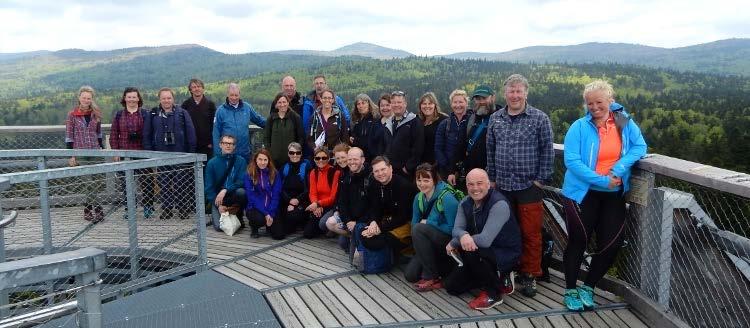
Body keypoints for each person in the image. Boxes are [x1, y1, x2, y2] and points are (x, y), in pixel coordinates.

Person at [560, 80, 647, 311]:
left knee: (612, 243)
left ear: (611, 100)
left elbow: (639, 147)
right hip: (582, 193)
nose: (594, 107)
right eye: (590, 103)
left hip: (613, 194)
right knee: (579, 240)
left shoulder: (623, 122)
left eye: (599, 102)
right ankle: (570, 289)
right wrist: (602, 180)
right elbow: (572, 161)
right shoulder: (578, 126)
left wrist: (618, 169)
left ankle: (588, 286)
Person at [486, 74, 554, 297]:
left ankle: (530, 274)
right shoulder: (496, 118)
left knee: (531, 233)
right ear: (505, 93)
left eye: (519, 91)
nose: (514, 95)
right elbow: (490, 150)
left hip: (528, 186)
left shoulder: (539, 118)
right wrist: (492, 179)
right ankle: (508, 269)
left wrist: (539, 180)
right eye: (511, 91)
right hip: (502, 185)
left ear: (526, 93)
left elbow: (547, 150)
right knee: (505, 231)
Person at [443, 169, 521, 310]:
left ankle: (494, 293)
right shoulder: (465, 202)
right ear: (466, 186)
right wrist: (463, 236)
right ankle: (497, 278)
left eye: (479, 183)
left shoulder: (499, 204)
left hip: (504, 251)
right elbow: (457, 229)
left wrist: (456, 241)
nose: (475, 188)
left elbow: (485, 240)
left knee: (471, 249)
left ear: (488, 184)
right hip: (478, 250)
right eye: (471, 184)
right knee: (452, 287)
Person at [143, 87, 197, 220]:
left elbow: (191, 133)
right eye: (163, 98)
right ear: (159, 100)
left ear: (173, 99)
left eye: (169, 98)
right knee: (164, 183)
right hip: (161, 155)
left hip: (180, 154)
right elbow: (147, 134)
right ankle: (167, 209)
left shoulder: (182, 113)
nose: (166, 100)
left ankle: (183, 209)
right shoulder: (153, 114)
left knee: (181, 183)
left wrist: (191, 153)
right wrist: (150, 153)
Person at [404, 163, 459, 292]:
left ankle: (432, 276)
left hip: (447, 243)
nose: (422, 184)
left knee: (419, 228)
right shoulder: (418, 198)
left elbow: (454, 230)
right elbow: (414, 224)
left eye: (426, 180)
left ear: (435, 179)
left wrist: (429, 222)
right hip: (427, 241)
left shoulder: (447, 198)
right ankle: (433, 269)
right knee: (410, 275)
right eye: (419, 180)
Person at [110, 87, 154, 218]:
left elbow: (150, 133)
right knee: (126, 183)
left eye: (134, 97)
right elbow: (113, 134)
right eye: (129, 97)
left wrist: (150, 152)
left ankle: (148, 207)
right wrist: (115, 151)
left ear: (138, 98)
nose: (131, 99)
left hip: (142, 152)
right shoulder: (119, 115)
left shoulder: (145, 114)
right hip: (124, 153)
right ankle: (130, 208)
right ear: (124, 98)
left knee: (147, 181)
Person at [361, 156, 418, 260]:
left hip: (407, 223)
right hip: (388, 220)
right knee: (364, 234)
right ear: (373, 173)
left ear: (390, 168)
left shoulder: (403, 186)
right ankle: (386, 258)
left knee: (379, 240)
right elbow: (375, 208)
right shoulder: (375, 184)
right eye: (376, 171)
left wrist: (380, 229)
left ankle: (406, 250)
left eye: (383, 169)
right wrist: (373, 222)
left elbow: (403, 217)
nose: (380, 173)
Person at [65, 85, 104, 222]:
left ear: (92, 99)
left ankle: (88, 209)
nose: (86, 100)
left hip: (95, 151)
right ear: (79, 98)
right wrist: (71, 155)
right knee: (88, 182)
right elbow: (69, 136)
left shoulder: (96, 113)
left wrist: (102, 148)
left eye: (89, 98)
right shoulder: (72, 115)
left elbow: (99, 133)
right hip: (80, 152)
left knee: (97, 183)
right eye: (84, 98)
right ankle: (98, 209)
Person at [212, 83, 266, 162]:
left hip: (244, 154)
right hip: (227, 154)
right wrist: (218, 154)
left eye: (236, 95)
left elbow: (259, 120)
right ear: (227, 95)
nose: (234, 98)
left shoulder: (247, 107)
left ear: (239, 95)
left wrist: (274, 122)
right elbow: (216, 133)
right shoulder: (220, 111)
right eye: (232, 95)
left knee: (244, 174)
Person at [205, 135, 248, 232]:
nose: (228, 146)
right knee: (219, 227)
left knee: (242, 192)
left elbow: (242, 181)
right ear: (220, 145)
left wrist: (225, 189)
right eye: (226, 143)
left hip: (233, 194)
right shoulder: (212, 163)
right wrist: (218, 205)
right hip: (218, 199)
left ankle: (238, 213)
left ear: (234, 146)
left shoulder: (241, 161)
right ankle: (221, 211)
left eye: (231, 143)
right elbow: (208, 187)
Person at [336, 147, 372, 248]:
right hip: (351, 220)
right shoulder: (348, 178)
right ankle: (354, 238)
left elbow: (373, 207)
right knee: (332, 227)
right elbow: (342, 203)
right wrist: (348, 221)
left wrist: (357, 223)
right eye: (350, 159)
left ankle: (356, 239)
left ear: (363, 160)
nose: (352, 162)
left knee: (357, 259)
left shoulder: (371, 177)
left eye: (355, 159)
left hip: (365, 222)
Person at [434, 89, 471, 188]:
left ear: (466, 103)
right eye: (455, 102)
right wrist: (449, 169)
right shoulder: (445, 124)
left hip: (468, 170)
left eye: (461, 102)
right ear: (451, 104)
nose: (458, 105)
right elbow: (438, 148)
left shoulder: (473, 122)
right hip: (446, 171)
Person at [384, 91, 424, 178]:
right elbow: (386, 146)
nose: (396, 105)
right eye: (393, 102)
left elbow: (418, 147)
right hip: (390, 171)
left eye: (399, 102)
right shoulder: (389, 123)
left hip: (406, 172)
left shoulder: (414, 121)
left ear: (405, 104)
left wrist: (408, 168)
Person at [303, 147, 341, 238]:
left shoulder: (335, 172)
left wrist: (318, 204)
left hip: (330, 206)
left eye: (324, 158)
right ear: (314, 159)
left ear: (328, 158)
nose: (321, 160)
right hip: (317, 205)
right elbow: (312, 193)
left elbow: (333, 197)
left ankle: (330, 229)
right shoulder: (313, 172)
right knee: (308, 233)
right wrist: (316, 205)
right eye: (317, 158)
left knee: (322, 224)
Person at [244, 149, 282, 238]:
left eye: (265, 160)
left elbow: (276, 194)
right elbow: (252, 197)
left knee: (279, 235)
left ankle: (269, 226)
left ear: (269, 161)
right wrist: (266, 213)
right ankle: (254, 227)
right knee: (259, 219)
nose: (262, 162)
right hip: (256, 207)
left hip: (271, 207)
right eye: (260, 159)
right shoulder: (249, 174)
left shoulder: (274, 173)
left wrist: (271, 212)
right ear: (255, 160)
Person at [279, 142, 313, 238]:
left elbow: (310, 188)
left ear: (301, 154)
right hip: (287, 200)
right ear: (288, 154)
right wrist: (289, 201)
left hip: (302, 201)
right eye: (292, 153)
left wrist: (297, 200)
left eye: (298, 153)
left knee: (292, 216)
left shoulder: (307, 166)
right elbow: (280, 188)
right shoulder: (284, 168)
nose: (295, 155)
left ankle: (300, 222)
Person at [265, 93, 304, 168]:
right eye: (279, 102)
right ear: (276, 104)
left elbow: (301, 138)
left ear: (288, 103)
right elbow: (266, 138)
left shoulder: (295, 117)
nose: (282, 105)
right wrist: (270, 153)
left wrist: (295, 153)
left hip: (291, 159)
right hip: (274, 160)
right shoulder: (271, 118)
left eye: (284, 102)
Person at [181, 78, 217, 160]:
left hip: (206, 145)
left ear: (203, 88)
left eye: (199, 86)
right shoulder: (185, 105)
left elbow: (214, 125)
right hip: (190, 144)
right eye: (194, 87)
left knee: (206, 169)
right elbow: (182, 125)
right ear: (190, 90)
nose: (197, 89)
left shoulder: (210, 105)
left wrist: (211, 142)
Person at [350, 93, 384, 161]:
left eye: (363, 103)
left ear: (369, 104)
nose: (361, 106)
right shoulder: (357, 120)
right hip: (360, 158)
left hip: (373, 158)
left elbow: (372, 141)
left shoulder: (376, 118)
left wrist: (355, 141)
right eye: (358, 104)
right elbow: (354, 135)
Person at [417, 92, 447, 165]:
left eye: (430, 103)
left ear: (435, 105)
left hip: (437, 164)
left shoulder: (444, 120)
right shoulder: (417, 120)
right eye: (424, 103)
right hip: (420, 165)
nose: (427, 106)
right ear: (420, 106)